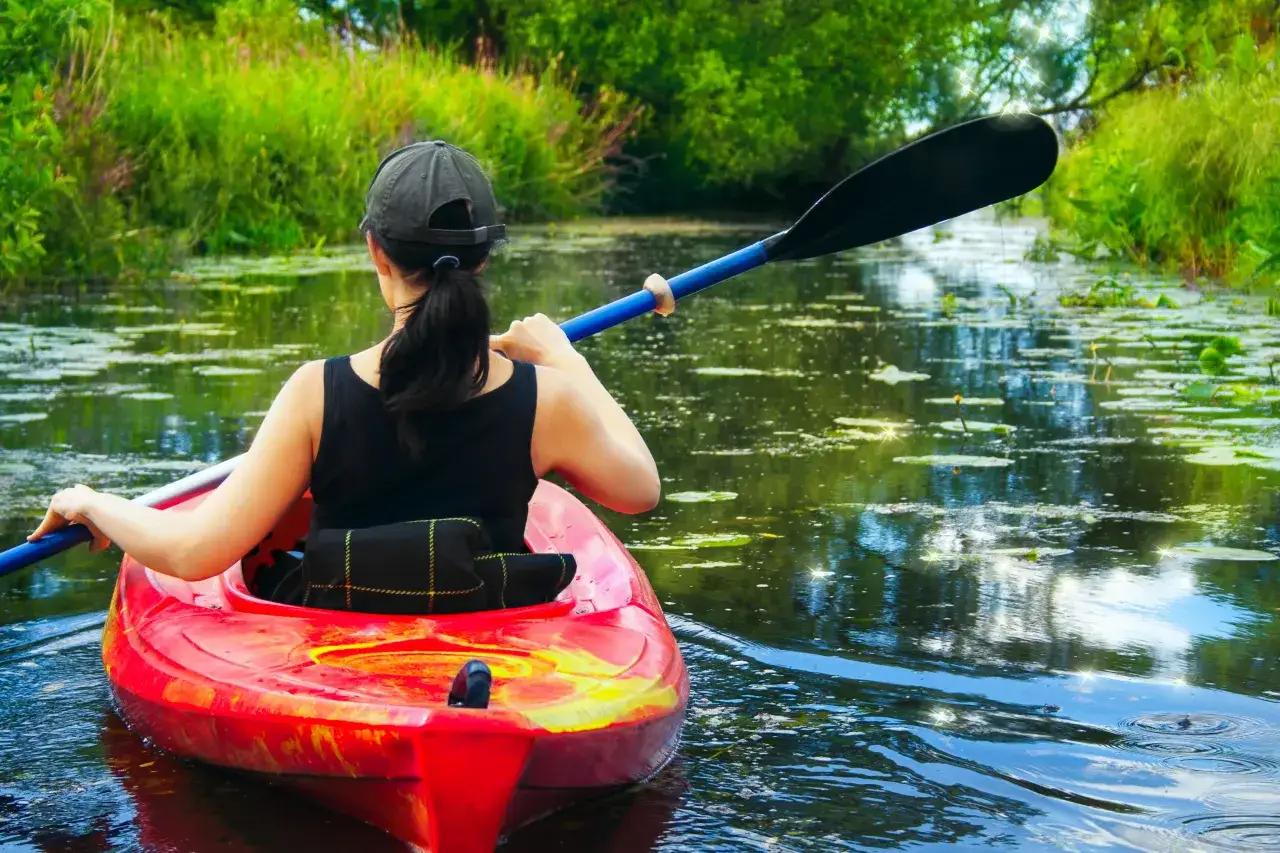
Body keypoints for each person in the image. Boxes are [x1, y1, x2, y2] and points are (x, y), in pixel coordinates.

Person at [26, 141, 660, 600]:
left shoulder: (315, 394)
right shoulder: (547, 400)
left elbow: (194, 553)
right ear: (484, 259)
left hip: (340, 652)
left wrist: (90, 501)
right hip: (492, 649)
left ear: (376, 251)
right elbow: (641, 489)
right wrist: (567, 360)